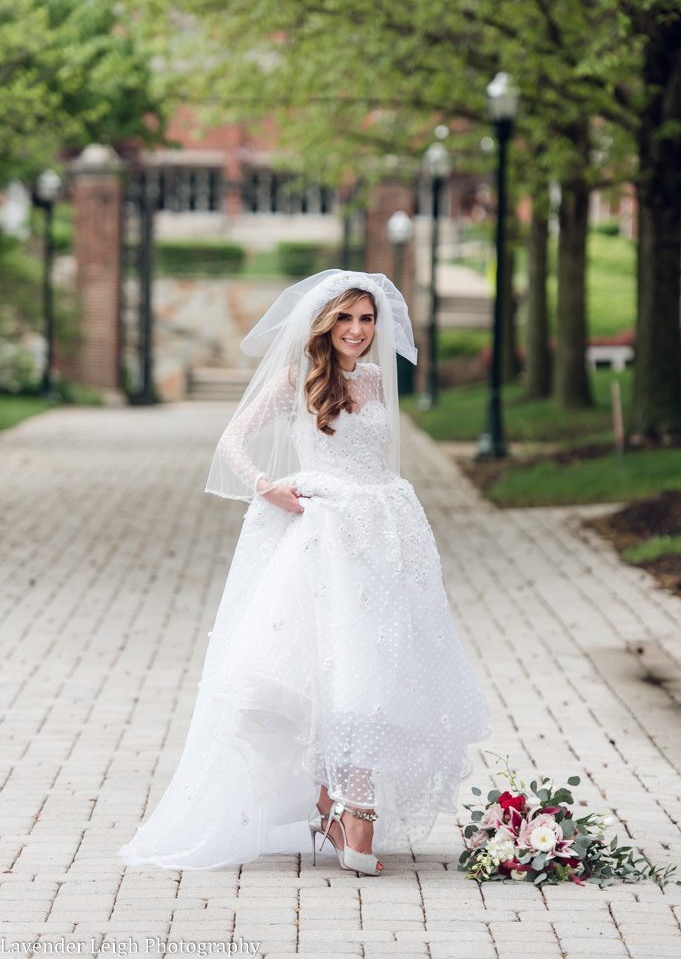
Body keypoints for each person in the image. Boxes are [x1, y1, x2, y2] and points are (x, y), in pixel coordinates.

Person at [117, 268, 491, 876]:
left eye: (366, 319)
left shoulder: (376, 377)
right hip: (325, 531)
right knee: (333, 660)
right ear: (324, 323)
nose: (357, 330)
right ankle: (350, 806)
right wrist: (267, 488)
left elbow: (377, 456)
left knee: (379, 656)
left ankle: (342, 802)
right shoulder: (298, 377)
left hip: (385, 529)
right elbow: (233, 440)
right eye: (345, 318)